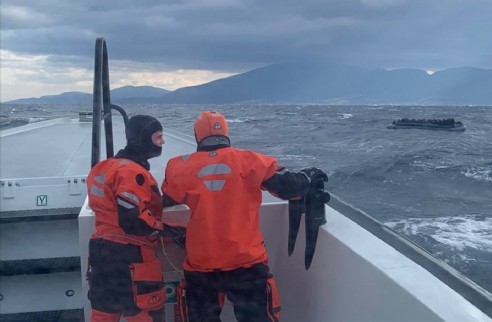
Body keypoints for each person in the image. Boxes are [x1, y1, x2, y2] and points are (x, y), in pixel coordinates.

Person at [161, 110, 327, 322]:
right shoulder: (250, 161)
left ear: (197, 136)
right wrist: (307, 176)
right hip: (245, 263)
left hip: (202, 264)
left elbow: (166, 198)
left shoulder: (179, 167)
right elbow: (287, 189)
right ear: (226, 133)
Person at [86, 115, 185, 322]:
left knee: (102, 316)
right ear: (143, 139)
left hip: (102, 257)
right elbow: (132, 222)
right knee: (145, 316)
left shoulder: (101, 169)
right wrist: (170, 230)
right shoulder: (133, 173)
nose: (162, 142)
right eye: (159, 137)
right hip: (132, 259)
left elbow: (113, 208)